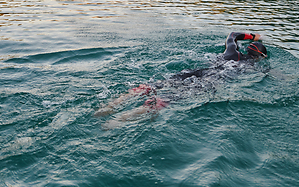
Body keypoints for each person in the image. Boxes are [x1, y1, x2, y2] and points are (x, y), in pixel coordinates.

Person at [95, 32, 267, 129]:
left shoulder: (231, 52)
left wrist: (254, 36)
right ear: (260, 56)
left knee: (150, 87)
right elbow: (273, 73)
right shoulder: (252, 67)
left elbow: (232, 35)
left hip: (197, 72)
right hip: (211, 81)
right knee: (165, 100)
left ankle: (108, 107)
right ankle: (115, 122)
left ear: (247, 48)